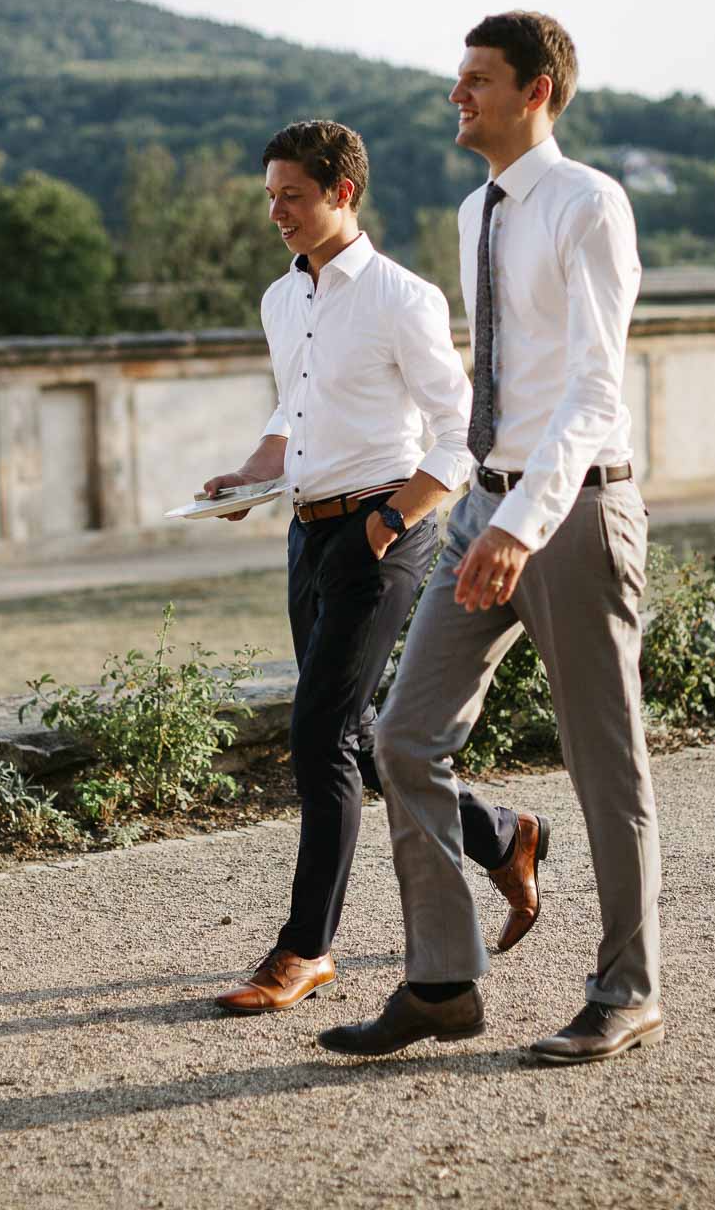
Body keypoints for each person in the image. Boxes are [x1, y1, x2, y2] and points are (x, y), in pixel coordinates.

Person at [318, 14, 661, 1065]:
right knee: (402, 739)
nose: (457, 96)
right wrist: (479, 504)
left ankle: (628, 991)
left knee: (605, 764)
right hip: (488, 502)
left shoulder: (590, 203)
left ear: (536, 90)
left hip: (574, 512)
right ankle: (442, 982)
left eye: (477, 80)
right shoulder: (478, 208)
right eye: (457, 79)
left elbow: (594, 389)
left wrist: (520, 522)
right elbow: (500, 378)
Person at [204, 119, 551, 1016]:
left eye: (293, 196)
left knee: (318, 736)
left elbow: (461, 432)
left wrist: (392, 519)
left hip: (387, 531)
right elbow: (293, 413)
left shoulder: (403, 298)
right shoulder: (281, 300)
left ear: (342, 192)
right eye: (271, 196)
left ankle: (305, 949)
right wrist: (249, 476)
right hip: (308, 532)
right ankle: (502, 835)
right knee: (352, 734)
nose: (277, 212)